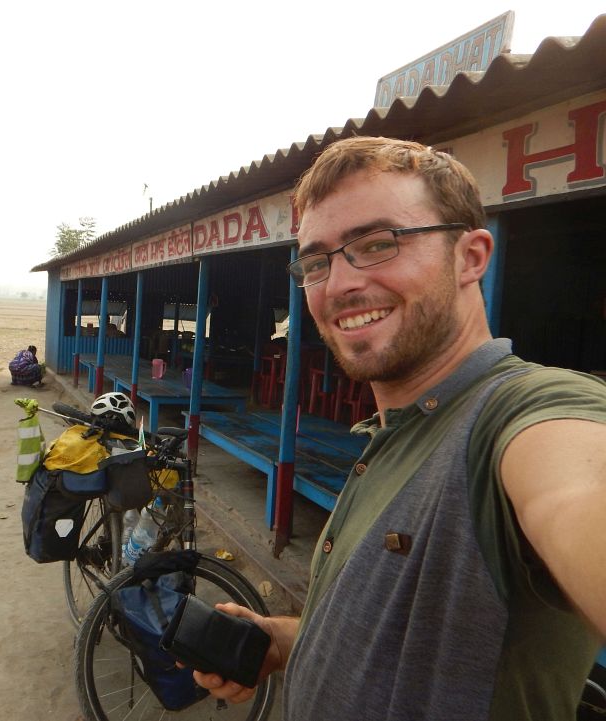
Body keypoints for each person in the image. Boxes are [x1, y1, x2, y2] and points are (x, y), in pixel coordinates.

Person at [193, 136, 606, 720]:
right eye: (317, 262)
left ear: (470, 257)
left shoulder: (522, 416)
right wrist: (285, 641)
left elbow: (577, 486)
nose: (338, 285)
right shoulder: (387, 438)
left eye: (378, 244)